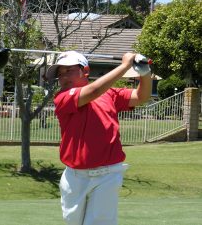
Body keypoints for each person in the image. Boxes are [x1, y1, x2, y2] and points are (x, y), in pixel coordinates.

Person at [45, 51, 152, 225]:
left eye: (68, 71)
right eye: (60, 74)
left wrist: (145, 72)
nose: (63, 77)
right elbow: (93, 90)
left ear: (85, 71)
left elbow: (141, 96)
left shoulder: (110, 94)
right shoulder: (62, 97)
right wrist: (125, 66)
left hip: (107, 175)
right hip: (74, 177)